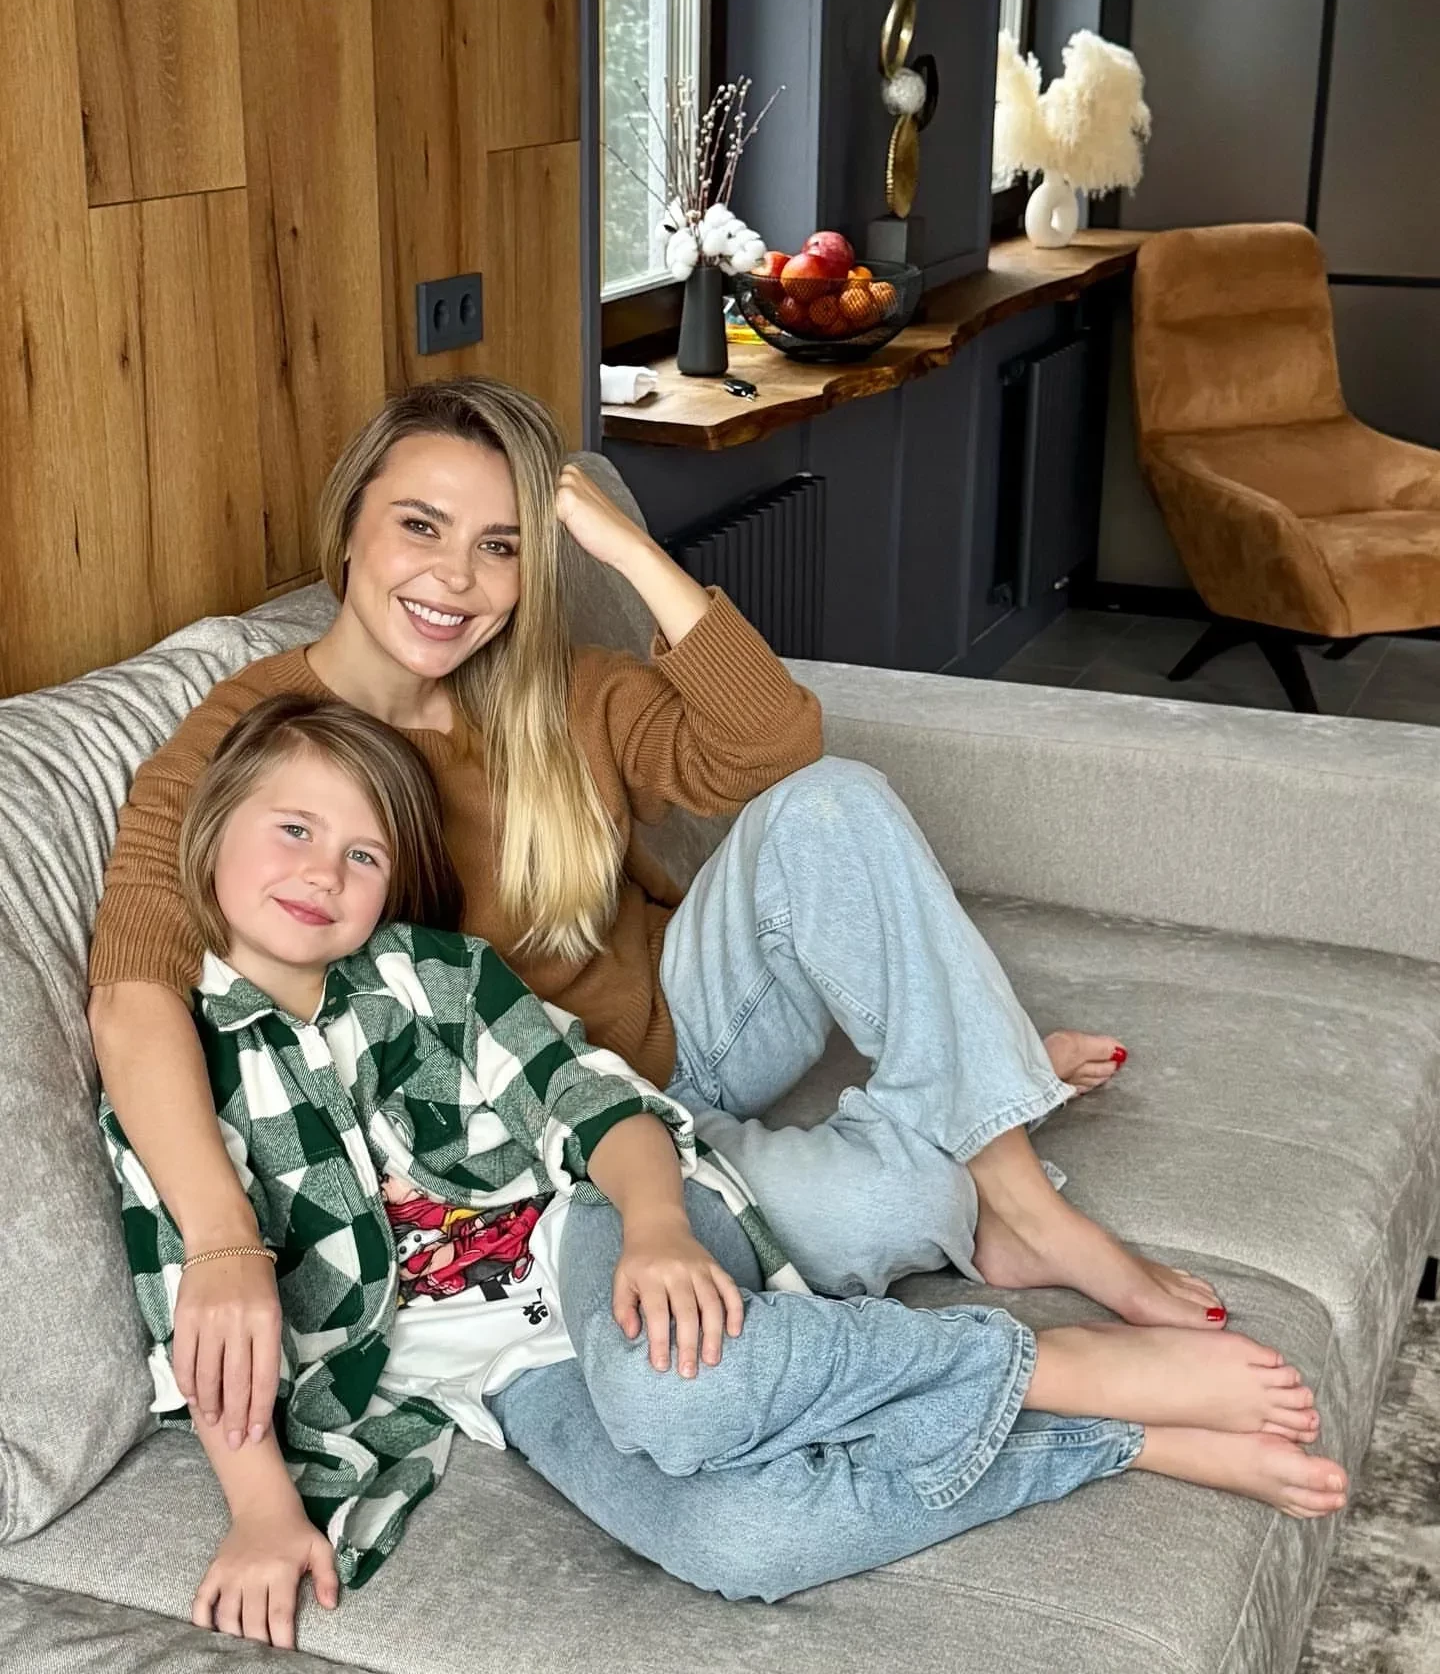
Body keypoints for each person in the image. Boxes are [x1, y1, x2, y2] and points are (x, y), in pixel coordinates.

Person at [90, 376, 1216, 1463]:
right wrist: (224, 1240)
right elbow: (135, 988)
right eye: (420, 526)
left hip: (693, 1029)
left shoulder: (553, 687)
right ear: (348, 529)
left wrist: (628, 551)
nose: (457, 578)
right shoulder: (255, 737)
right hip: (556, 1142)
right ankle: (968, 1085)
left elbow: (771, 748)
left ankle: (1018, 1188)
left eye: (501, 545)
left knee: (832, 801)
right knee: (892, 1208)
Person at [101, 695, 1346, 1649]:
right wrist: (262, 1511)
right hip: (496, 1375)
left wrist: (655, 1226)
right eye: (295, 830)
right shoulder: (171, 1085)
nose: (324, 871)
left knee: (672, 1395)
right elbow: (202, 1326)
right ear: (210, 840)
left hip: (590, 1221)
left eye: (364, 854)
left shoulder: (435, 978)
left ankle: (1057, 1359)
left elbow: (599, 1106)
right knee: (740, 1543)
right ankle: (1102, 1435)